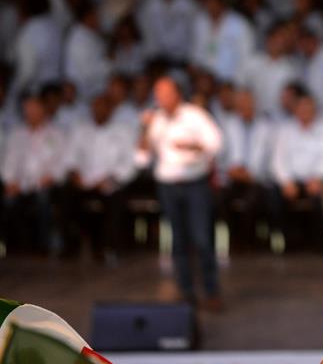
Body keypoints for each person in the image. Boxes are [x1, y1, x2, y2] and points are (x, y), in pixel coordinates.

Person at [136, 77, 223, 308]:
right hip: (168, 186)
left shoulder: (194, 115)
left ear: (177, 94)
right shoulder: (155, 121)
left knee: (202, 238)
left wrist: (193, 146)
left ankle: (212, 291)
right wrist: (144, 128)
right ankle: (186, 292)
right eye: (158, 94)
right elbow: (142, 158)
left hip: (195, 183)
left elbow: (216, 143)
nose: (160, 98)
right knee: (178, 241)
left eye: (164, 93)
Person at [61, 95, 136, 261]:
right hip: (84, 182)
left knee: (117, 202)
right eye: (95, 108)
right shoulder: (80, 130)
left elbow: (129, 164)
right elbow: (69, 157)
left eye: (102, 107)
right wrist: (75, 175)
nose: (98, 111)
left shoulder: (123, 131)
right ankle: (70, 247)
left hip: (110, 183)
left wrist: (110, 180)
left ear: (111, 110)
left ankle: (108, 248)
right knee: (65, 197)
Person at [270, 89, 323, 250]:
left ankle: (317, 245)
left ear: (315, 109)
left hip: (317, 181)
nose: (305, 112)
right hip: (291, 182)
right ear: (295, 110)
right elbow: (278, 160)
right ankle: (288, 244)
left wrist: (320, 178)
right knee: (274, 197)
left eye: (309, 108)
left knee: (322, 200)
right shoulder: (285, 130)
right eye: (301, 108)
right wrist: (285, 181)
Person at [1, 93, 66, 253]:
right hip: (19, 184)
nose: (29, 112)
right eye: (27, 109)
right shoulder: (16, 134)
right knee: (8, 200)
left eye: (33, 108)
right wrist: (10, 181)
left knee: (43, 198)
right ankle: (18, 245)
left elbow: (61, 164)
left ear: (43, 110)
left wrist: (42, 180)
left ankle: (43, 245)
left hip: (45, 184)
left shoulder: (56, 135)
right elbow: (8, 161)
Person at [219, 90, 275, 248]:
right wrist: (231, 170)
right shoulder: (228, 124)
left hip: (257, 179)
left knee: (253, 201)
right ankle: (233, 240)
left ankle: (249, 242)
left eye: (248, 103)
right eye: (241, 104)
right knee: (221, 199)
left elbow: (270, 158)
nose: (244, 107)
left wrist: (252, 174)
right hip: (233, 177)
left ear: (254, 104)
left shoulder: (266, 126)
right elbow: (221, 155)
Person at [236, 21, 300, 118]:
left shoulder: (290, 70)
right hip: (253, 118)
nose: (277, 43)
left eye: (281, 40)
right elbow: (239, 86)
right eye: (274, 39)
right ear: (268, 40)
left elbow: (292, 100)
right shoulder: (252, 62)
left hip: (279, 119)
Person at [190, 0, 254, 82]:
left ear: (222, 3)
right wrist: (194, 67)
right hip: (205, 79)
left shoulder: (239, 24)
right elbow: (196, 50)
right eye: (207, 3)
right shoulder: (200, 22)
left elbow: (246, 56)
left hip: (229, 80)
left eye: (213, 3)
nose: (210, 7)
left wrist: (238, 81)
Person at [136, 0, 197, 65]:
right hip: (157, 57)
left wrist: (191, 56)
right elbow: (146, 32)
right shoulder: (150, 6)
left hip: (182, 56)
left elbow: (194, 31)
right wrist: (152, 55)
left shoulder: (188, 4)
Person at [63, 4, 111, 99]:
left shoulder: (89, 34)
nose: (99, 18)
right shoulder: (78, 40)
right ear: (88, 17)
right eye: (96, 15)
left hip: (93, 91)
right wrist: (109, 63)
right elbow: (88, 71)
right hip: (83, 94)